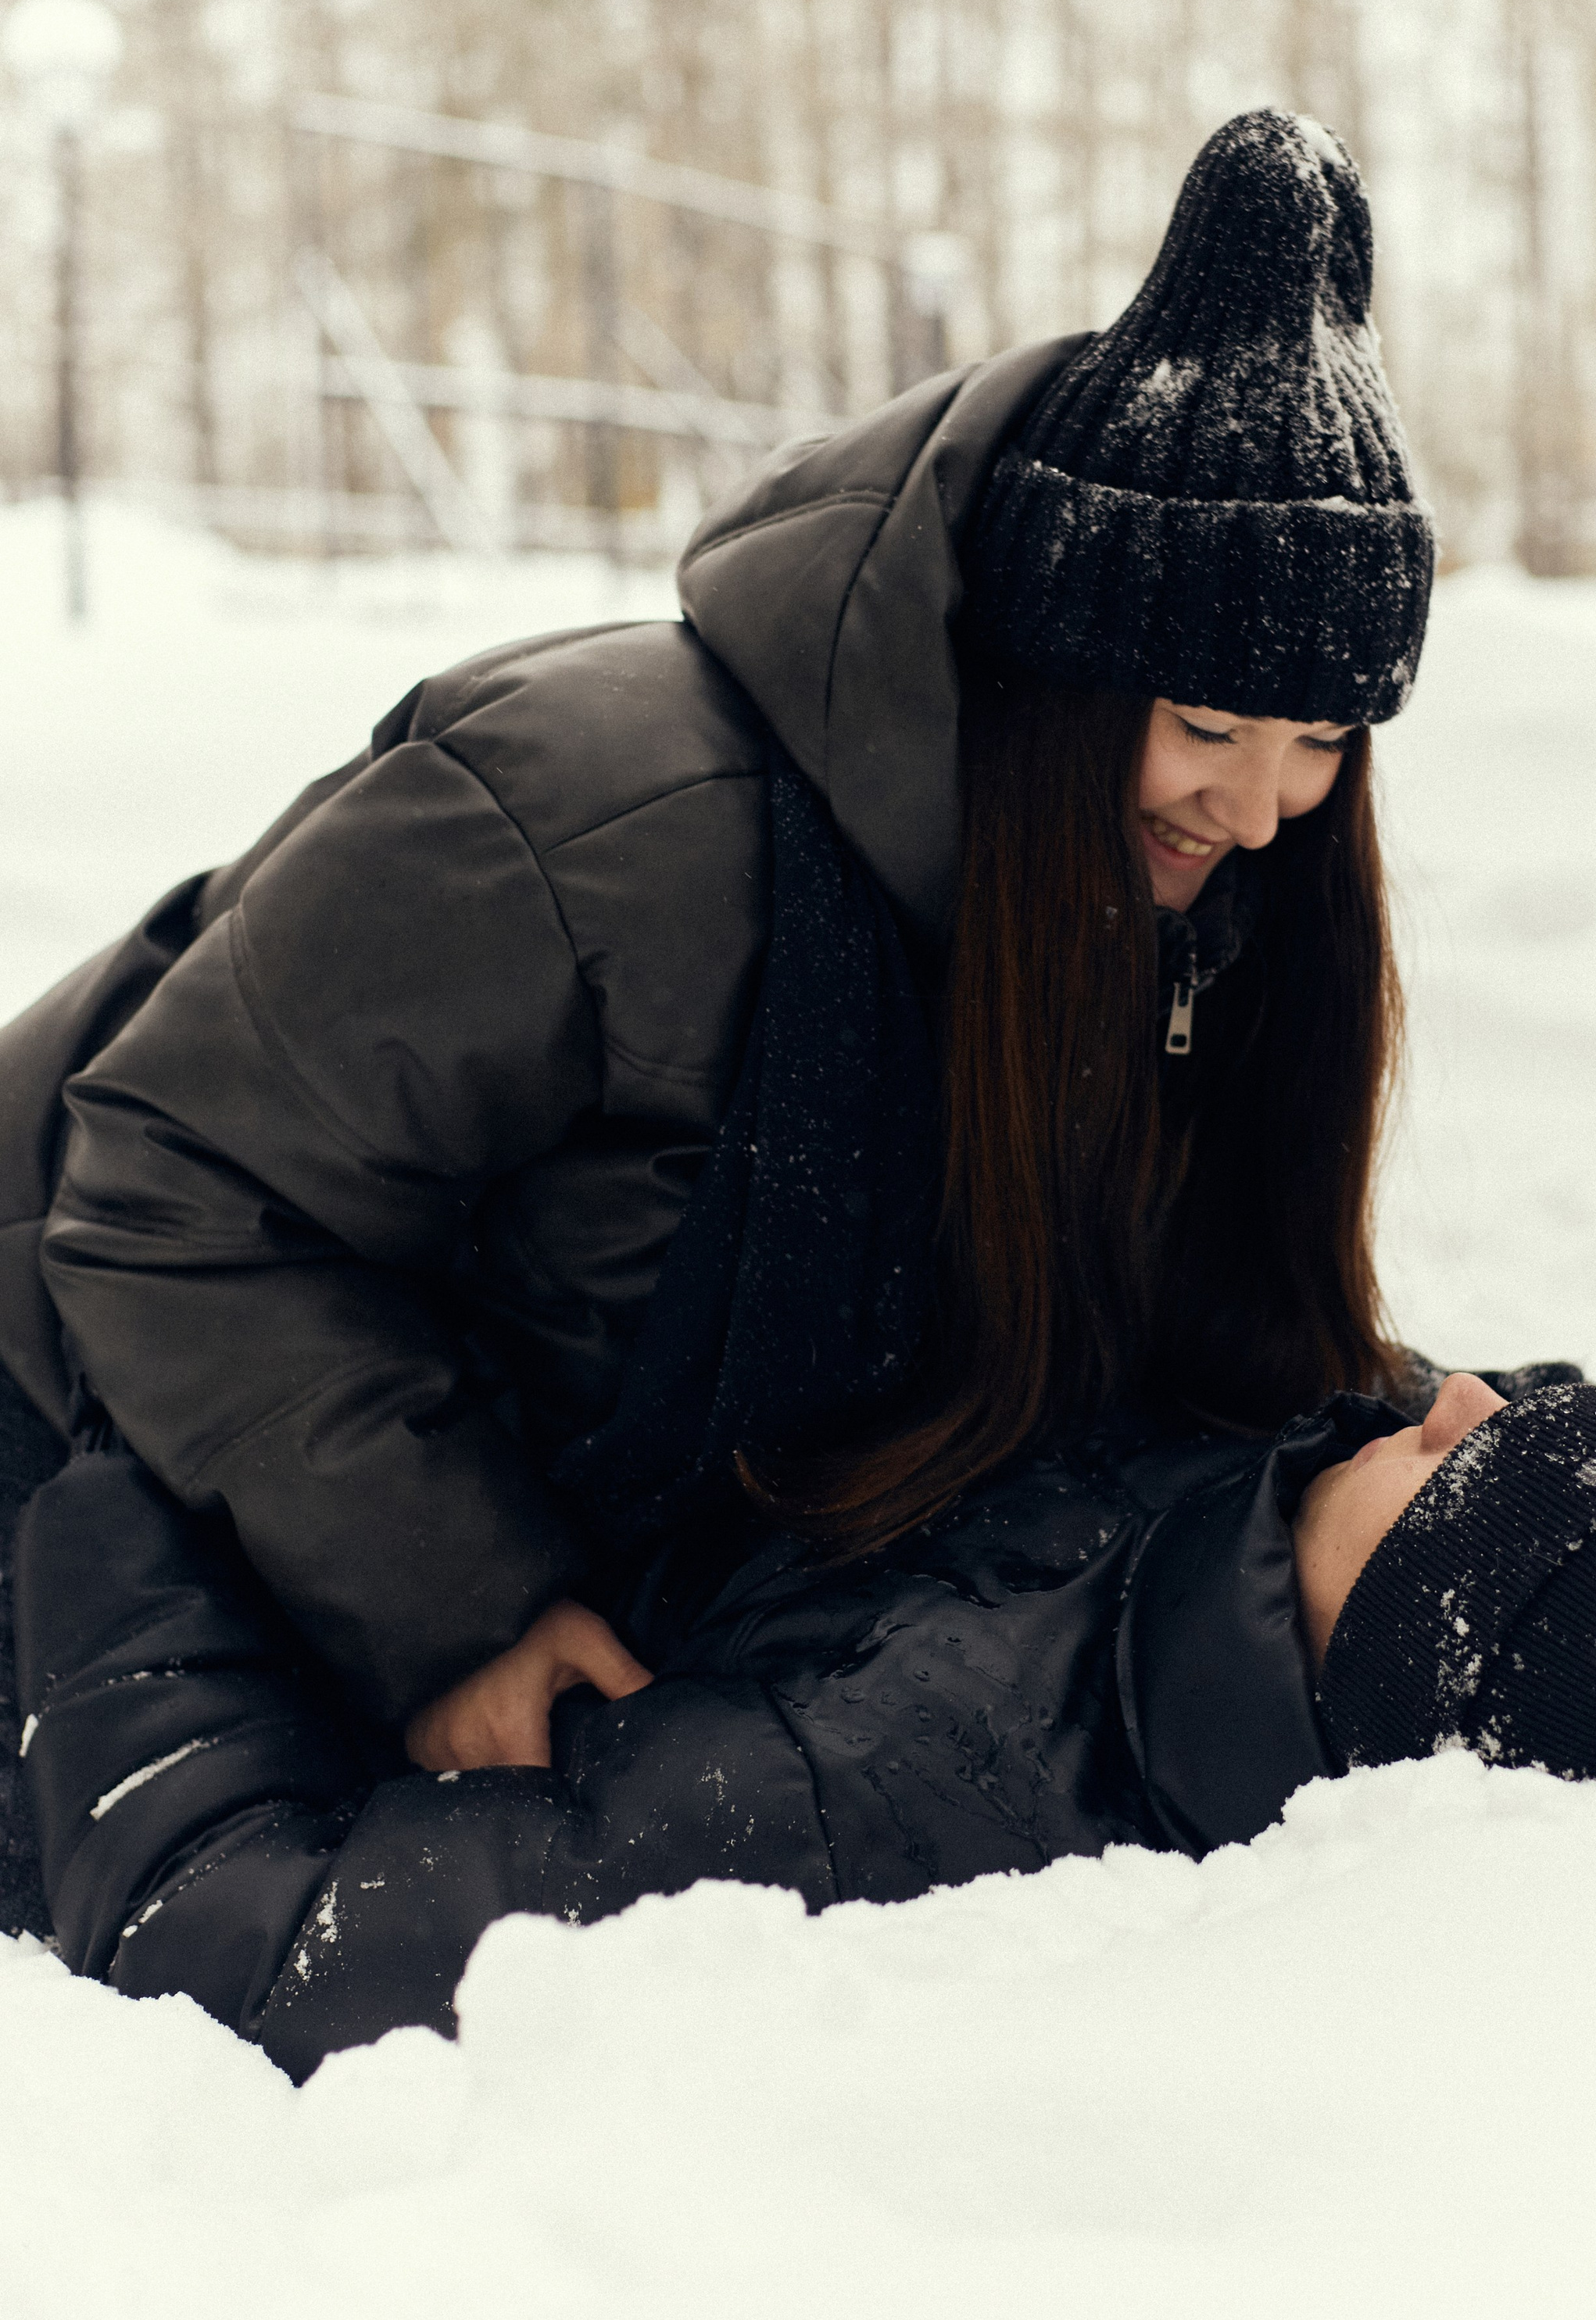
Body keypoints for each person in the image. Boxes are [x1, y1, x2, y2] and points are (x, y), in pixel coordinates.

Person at [0, 106, 1434, 1805]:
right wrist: (457, 1609)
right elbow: (174, 1177)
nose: (1263, 807)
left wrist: (1375, 1446)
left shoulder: (1176, 892)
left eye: (1324, 742)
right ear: (1048, 676)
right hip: (78, 1435)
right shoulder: (591, 807)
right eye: (1208, 724)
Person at [14, 1370, 1596, 2080]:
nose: (1457, 1389)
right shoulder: (1256, 1443)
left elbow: (215, 1929)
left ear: (1408, 1638)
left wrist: (152, 1436)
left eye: (1470, 1464)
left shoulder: (871, 1793)